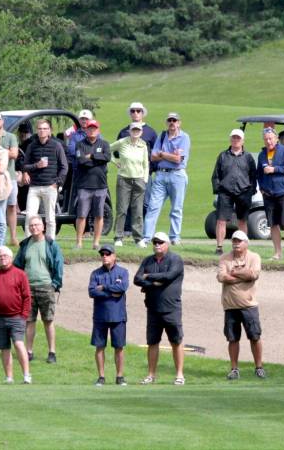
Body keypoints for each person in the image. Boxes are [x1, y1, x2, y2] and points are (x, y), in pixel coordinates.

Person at [134, 231, 185, 385]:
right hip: (153, 308)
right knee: (152, 342)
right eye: (155, 242)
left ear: (167, 244)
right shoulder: (148, 260)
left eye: (160, 242)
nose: (157, 245)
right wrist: (152, 283)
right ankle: (151, 375)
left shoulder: (175, 259)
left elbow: (169, 276)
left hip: (171, 308)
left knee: (176, 341)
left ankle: (179, 375)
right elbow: (137, 279)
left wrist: (148, 277)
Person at [13, 215, 64, 364]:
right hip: (28, 289)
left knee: (48, 320)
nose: (34, 227)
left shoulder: (51, 244)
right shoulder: (25, 245)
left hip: (46, 287)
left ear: (43, 227)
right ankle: (28, 352)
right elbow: (17, 266)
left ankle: (52, 352)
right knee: (29, 321)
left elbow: (58, 265)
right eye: (31, 225)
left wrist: (55, 284)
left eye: (37, 225)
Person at [217, 230, 265, 379]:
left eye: (239, 241)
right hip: (230, 306)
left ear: (246, 243)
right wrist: (243, 274)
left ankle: (259, 367)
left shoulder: (254, 257)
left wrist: (234, 273)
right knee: (232, 339)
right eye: (234, 241)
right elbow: (221, 277)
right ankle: (234, 369)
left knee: (255, 337)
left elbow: (254, 275)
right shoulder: (224, 258)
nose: (236, 244)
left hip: (249, 305)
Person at [142, 113, 191, 246]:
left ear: (179, 123)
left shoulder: (184, 137)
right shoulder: (162, 136)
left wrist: (162, 154)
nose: (172, 122)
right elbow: (153, 156)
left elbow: (178, 160)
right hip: (161, 174)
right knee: (153, 207)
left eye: (174, 120)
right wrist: (168, 155)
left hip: (177, 175)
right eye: (169, 120)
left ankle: (174, 237)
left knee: (176, 208)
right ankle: (146, 237)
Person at [0, 245, 32, 384]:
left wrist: (24, 315)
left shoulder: (20, 274)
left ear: (11, 258)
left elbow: (27, 297)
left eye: (5, 256)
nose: (2, 259)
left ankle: (26, 375)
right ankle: (9, 377)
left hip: (16, 317)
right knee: (4, 348)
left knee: (19, 344)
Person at [88, 244, 129, 386]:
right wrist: (112, 293)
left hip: (118, 316)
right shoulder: (95, 273)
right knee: (99, 347)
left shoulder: (122, 272)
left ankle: (119, 377)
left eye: (107, 254)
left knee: (119, 347)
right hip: (100, 316)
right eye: (102, 254)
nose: (104, 256)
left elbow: (122, 288)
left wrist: (104, 287)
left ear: (114, 256)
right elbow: (92, 292)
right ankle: (101, 377)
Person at [211, 129, 257, 256]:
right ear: (230, 139)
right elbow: (216, 175)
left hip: (244, 192)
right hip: (226, 192)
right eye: (233, 138)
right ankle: (219, 247)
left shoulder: (248, 157)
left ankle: (243, 247)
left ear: (242, 140)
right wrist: (218, 189)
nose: (235, 140)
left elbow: (253, 175)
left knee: (242, 220)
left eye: (238, 138)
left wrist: (251, 191)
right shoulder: (223, 156)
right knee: (221, 220)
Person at [21, 120, 68, 239]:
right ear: (37, 131)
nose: (42, 131)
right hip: (34, 187)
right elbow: (25, 166)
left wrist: (57, 182)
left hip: (50, 186)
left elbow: (64, 167)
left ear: (50, 131)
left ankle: (50, 243)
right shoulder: (32, 146)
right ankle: (28, 243)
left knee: (50, 218)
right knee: (29, 218)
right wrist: (37, 165)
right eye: (40, 129)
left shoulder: (56, 145)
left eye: (45, 129)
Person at [257, 127, 284, 260]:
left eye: (270, 138)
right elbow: (259, 173)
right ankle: (277, 253)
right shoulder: (262, 154)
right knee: (273, 224)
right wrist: (262, 188)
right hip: (268, 194)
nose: (268, 141)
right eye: (266, 139)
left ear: (276, 139)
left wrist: (275, 169)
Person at [109, 122, 149, 247]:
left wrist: (145, 179)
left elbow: (146, 164)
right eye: (133, 130)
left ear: (141, 132)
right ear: (130, 131)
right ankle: (118, 237)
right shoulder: (122, 142)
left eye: (138, 130)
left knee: (137, 210)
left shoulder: (143, 145)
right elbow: (107, 149)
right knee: (122, 209)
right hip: (124, 179)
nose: (135, 132)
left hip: (139, 180)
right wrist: (115, 162)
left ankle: (138, 238)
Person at [74, 120, 111, 250]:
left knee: (99, 214)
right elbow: (81, 161)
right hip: (84, 185)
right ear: (86, 130)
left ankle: (96, 242)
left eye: (94, 128)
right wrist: (97, 160)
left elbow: (107, 157)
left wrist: (92, 156)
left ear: (98, 130)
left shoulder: (104, 143)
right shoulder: (80, 144)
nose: (92, 130)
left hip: (100, 185)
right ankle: (79, 242)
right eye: (89, 128)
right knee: (81, 215)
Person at [0, 111, 20, 244]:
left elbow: (14, 154)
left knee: (12, 206)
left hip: (9, 176)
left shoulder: (11, 137)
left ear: (2, 121)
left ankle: (13, 237)